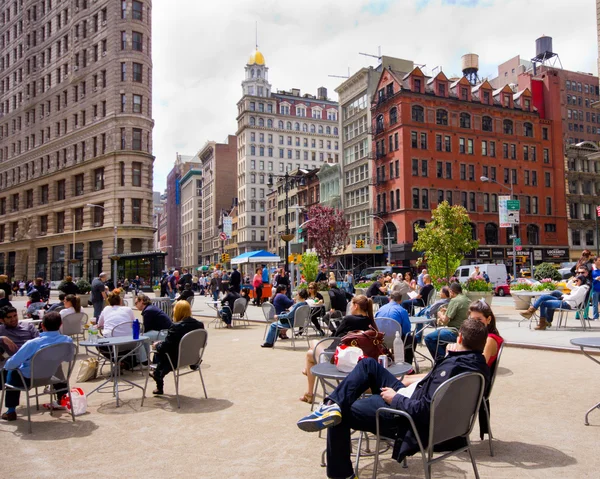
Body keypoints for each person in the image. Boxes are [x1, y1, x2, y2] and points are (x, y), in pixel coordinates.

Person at [296, 319, 490, 478]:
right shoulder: (478, 367)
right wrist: (450, 356)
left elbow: (424, 410)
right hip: (420, 407)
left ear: (460, 337)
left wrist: (395, 398)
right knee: (369, 365)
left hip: (404, 418)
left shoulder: (451, 368)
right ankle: (331, 404)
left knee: (341, 413)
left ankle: (341, 472)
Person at [299, 295, 378, 404]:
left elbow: (335, 338)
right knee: (309, 355)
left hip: (342, 359)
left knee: (313, 344)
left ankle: (309, 387)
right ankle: (309, 393)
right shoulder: (371, 322)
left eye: (350, 305)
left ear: (355, 306)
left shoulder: (349, 319)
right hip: (360, 360)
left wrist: (328, 349)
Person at [1, 312, 74, 421]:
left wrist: (9, 365)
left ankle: (11, 411)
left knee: (12, 371)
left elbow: (11, 364)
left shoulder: (33, 343)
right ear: (60, 325)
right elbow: (68, 359)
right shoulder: (67, 341)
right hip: (50, 377)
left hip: (27, 379)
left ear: (42, 326)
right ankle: (61, 396)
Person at [150, 301, 205, 395]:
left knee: (158, 352)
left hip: (176, 360)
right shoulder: (199, 325)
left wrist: (157, 345)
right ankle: (158, 373)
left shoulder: (176, 327)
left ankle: (158, 376)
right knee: (166, 350)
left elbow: (166, 347)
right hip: (192, 358)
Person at [520, 275, 589, 330]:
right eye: (576, 281)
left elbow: (572, 298)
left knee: (543, 303)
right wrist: (572, 280)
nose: (576, 282)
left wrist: (563, 296)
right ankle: (531, 312)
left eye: (577, 281)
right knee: (543, 297)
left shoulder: (582, 289)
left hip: (567, 304)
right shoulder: (579, 287)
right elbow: (568, 285)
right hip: (565, 301)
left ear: (582, 281)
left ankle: (541, 323)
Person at [424, 282, 470, 361]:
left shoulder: (454, 300)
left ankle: (443, 361)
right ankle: (448, 357)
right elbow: (459, 311)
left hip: (454, 331)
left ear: (451, 291)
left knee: (429, 338)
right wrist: (447, 310)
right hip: (464, 331)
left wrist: (439, 314)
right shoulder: (466, 299)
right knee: (439, 340)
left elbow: (445, 320)